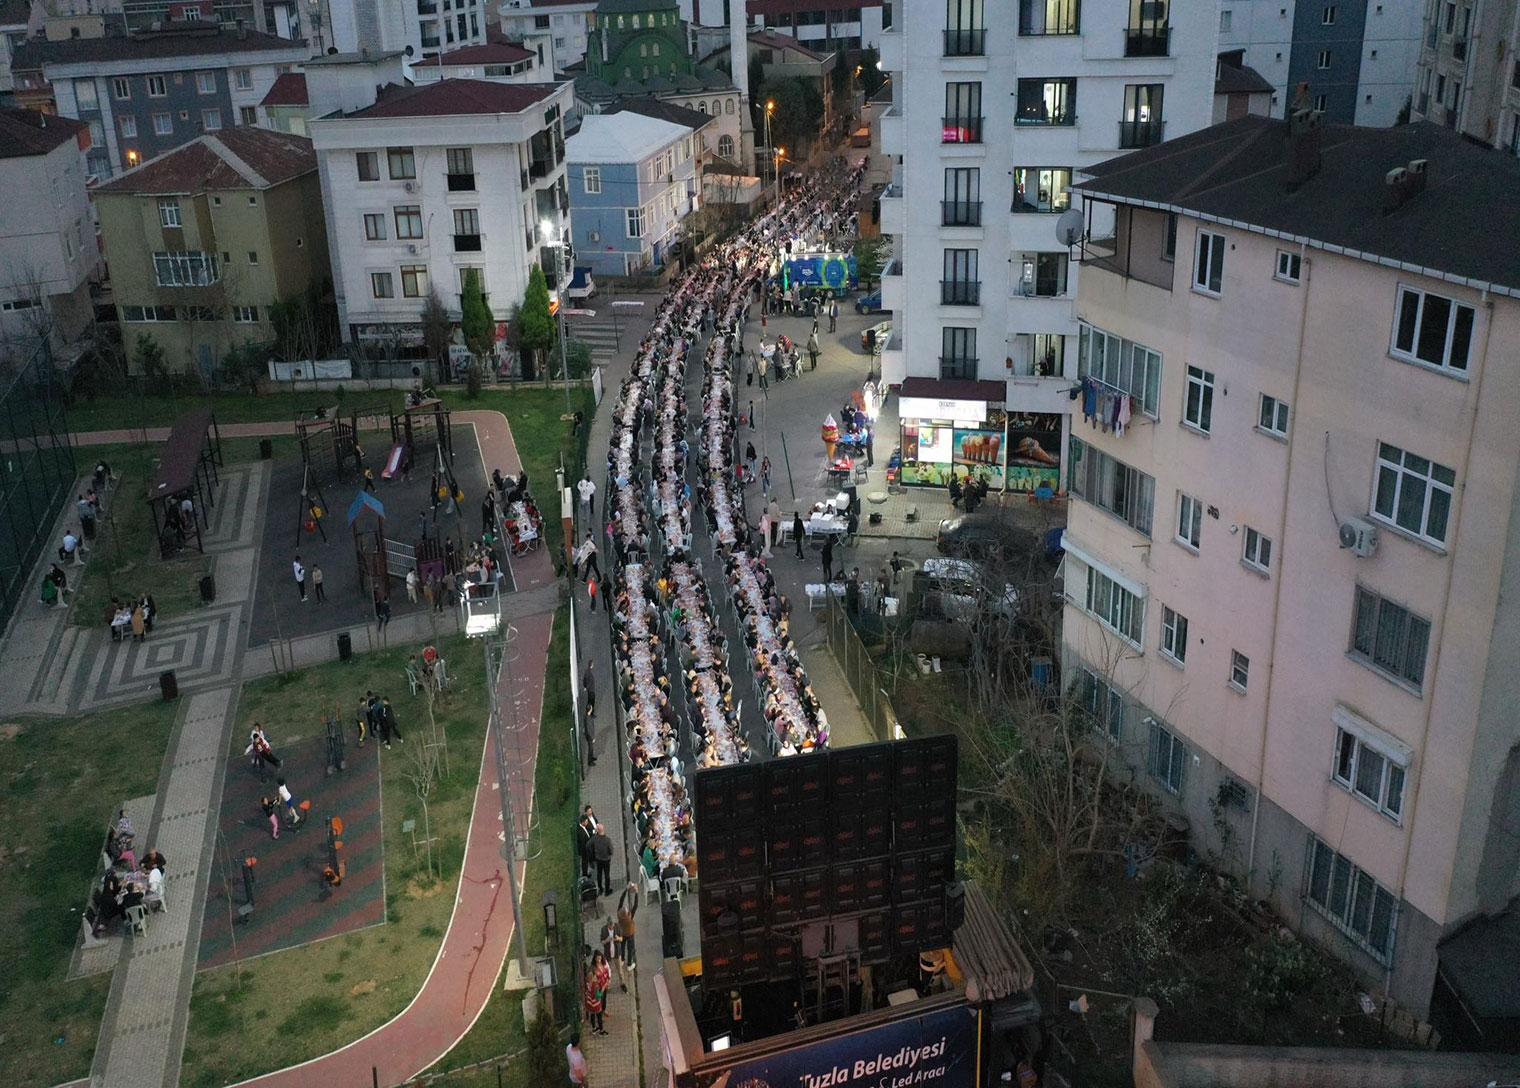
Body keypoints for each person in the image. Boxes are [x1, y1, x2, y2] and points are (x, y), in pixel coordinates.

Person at [616, 881, 638, 983]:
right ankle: (629, 964)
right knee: (631, 948)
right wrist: (636, 892)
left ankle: (622, 960)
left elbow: (620, 900)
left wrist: (626, 889)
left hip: (622, 933)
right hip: (630, 933)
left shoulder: (619, 915)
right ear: (627, 913)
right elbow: (636, 906)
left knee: (622, 946)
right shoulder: (629, 917)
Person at [583, 954, 607, 1036]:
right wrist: (602, 989)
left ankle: (594, 1028)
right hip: (596, 1004)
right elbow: (598, 996)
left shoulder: (587, 982)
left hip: (590, 1003)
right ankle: (601, 1030)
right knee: (599, 1016)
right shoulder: (595, 985)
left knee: (592, 1015)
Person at [589, 822, 613, 895]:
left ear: (597, 831)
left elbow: (588, 845)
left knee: (599, 874)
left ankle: (600, 888)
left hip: (598, 859)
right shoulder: (607, 840)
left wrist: (592, 852)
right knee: (607, 875)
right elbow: (611, 850)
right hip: (606, 860)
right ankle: (607, 890)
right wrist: (609, 854)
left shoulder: (594, 838)